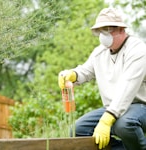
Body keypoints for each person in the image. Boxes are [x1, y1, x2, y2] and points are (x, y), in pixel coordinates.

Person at [58, 7, 146, 150]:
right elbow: (85, 71)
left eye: (109, 29)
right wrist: (72, 75)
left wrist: (107, 119)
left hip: (141, 106)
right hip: (112, 108)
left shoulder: (137, 50)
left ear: (121, 30)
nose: (104, 34)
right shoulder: (99, 52)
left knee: (123, 125)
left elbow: (128, 88)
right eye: (101, 29)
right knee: (77, 130)